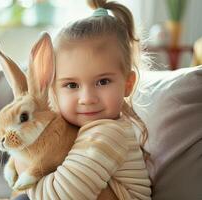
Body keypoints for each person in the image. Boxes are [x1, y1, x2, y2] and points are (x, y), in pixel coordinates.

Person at [14, 0, 151, 199]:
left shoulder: (108, 133)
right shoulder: (71, 129)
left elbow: (60, 197)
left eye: (103, 82)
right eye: (72, 85)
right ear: (53, 89)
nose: (87, 99)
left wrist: (21, 162)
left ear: (128, 84)